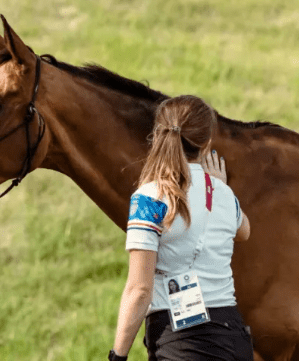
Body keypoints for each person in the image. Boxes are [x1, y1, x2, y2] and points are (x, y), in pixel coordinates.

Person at [108, 95, 253, 361]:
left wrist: (117, 355)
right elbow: (244, 231)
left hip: (182, 345)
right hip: (234, 338)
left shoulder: (149, 199)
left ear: (158, 136)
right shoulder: (222, 193)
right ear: (206, 143)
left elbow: (140, 290)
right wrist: (220, 187)